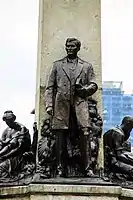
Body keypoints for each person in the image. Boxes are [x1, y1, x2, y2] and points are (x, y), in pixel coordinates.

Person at [45, 38, 98, 177]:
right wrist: (49, 106)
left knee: (85, 135)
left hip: (80, 104)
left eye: (72, 46)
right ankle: (59, 168)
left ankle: (87, 168)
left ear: (78, 48)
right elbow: (50, 88)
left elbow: (94, 84)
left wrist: (84, 90)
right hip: (61, 105)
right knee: (60, 137)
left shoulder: (86, 66)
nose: (69, 48)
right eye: (67, 46)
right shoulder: (57, 65)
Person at [0, 110, 32, 179]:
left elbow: (19, 147)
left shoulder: (21, 130)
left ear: (13, 120)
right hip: (5, 155)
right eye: (6, 122)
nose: (7, 123)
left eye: (8, 121)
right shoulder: (6, 130)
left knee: (3, 167)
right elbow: (2, 143)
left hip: (16, 156)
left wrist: (5, 156)